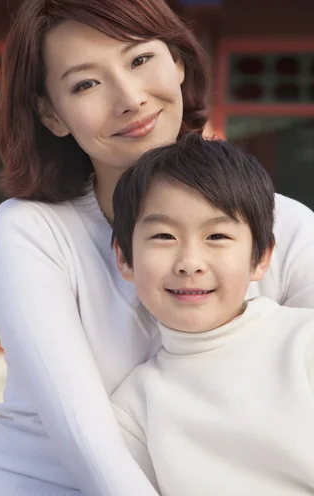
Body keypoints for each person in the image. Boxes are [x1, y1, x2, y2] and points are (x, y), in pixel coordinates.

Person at [0, 0, 314, 496]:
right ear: (52, 114)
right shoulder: (31, 232)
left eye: (141, 59)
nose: (130, 97)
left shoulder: (289, 227)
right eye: (87, 83)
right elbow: (86, 437)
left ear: (180, 63)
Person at [111, 133, 314, 496]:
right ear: (124, 257)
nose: (190, 263)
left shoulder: (303, 344)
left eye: (217, 236)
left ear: (262, 257)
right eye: (163, 236)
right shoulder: (134, 407)